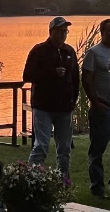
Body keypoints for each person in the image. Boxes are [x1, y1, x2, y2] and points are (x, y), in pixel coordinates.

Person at [22, 16, 79, 180]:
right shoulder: (39, 50)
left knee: (64, 149)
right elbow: (27, 75)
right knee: (42, 145)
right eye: (59, 31)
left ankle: (64, 183)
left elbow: (75, 78)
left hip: (65, 108)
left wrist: (73, 100)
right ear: (51, 32)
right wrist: (52, 73)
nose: (62, 35)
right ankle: (31, 180)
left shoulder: (69, 51)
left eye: (65, 32)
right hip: (43, 106)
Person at [82, 18, 110, 199]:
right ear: (102, 33)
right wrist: (96, 102)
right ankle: (97, 186)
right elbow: (86, 80)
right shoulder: (94, 53)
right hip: (103, 108)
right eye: (109, 31)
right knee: (98, 148)